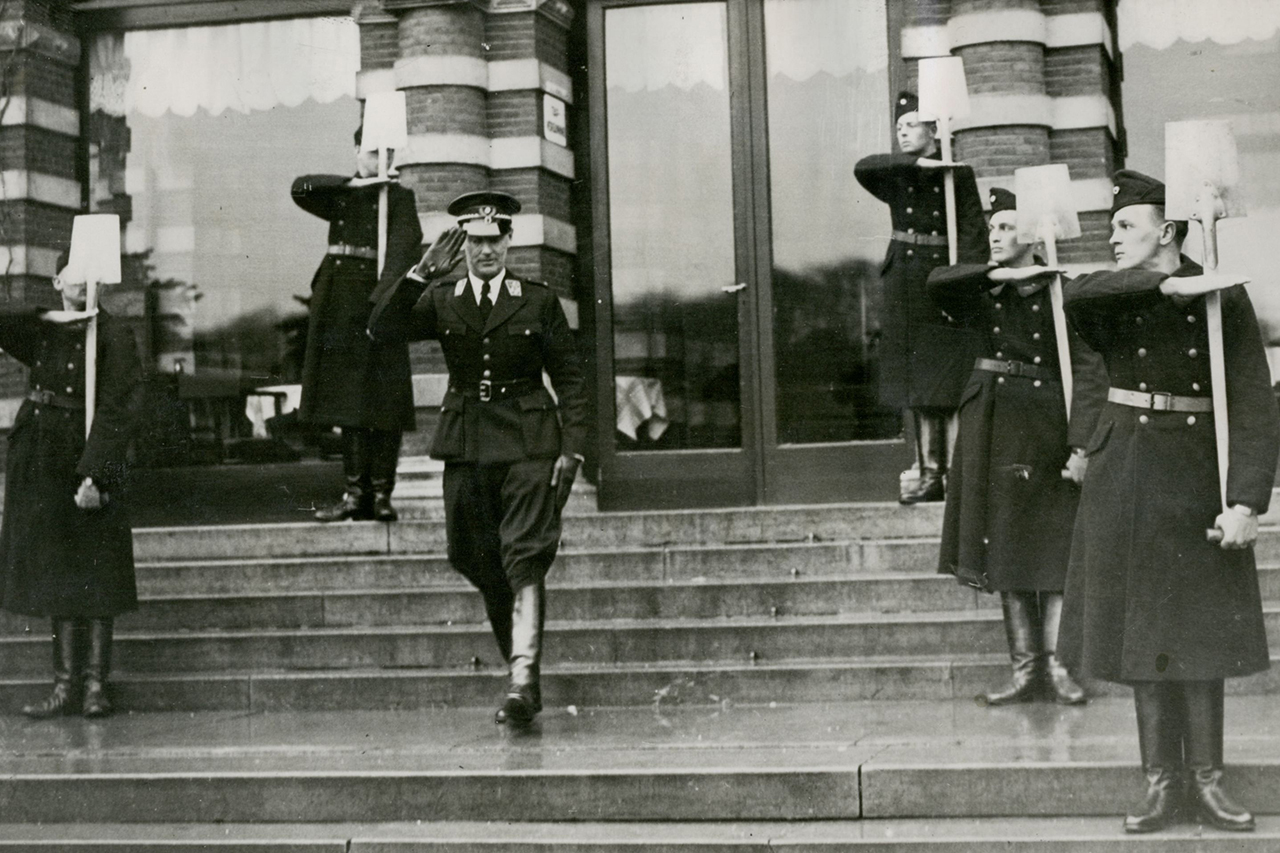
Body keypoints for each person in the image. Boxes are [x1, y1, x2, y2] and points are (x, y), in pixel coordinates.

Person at [1059, 169, 1279, 833]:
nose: (1114, 237)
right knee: (1143, 631)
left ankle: (1207, 780)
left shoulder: (1222, 299)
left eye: (1128, 225)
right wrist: (1167, 281)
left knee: (1197, 628)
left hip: (1195, 474)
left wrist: (1246, 500)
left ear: (1170, 228)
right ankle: (1161, 782)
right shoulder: (1115, 292)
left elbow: (1253, 402)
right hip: (1125, 471)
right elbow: (1076, 292)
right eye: (1113, 226)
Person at [368, 191, 588, 726]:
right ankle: (521, 673)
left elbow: (572, 379)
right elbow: (381, 328)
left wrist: (573, 448)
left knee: (524, 554)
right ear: (463, 244)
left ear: (509, 241)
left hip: (530, 440)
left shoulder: (537, 300)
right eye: (476, 241)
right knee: (475, 556)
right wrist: (419, 274)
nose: (486, 250)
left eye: (495, 240)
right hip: (467, 443)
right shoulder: (442, 296)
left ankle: (521, 680)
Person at [928, 187, 1106, 706]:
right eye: (993, 227)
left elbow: (1091, 374)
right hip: (992, 425)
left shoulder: (1062, 295)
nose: (996, 235)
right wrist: (995, 273)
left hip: (1048, 426)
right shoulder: (985, 291)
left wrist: (1082, 447)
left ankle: (1058, 668)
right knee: (1001, 545)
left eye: (1007, 227)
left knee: (1053, 552)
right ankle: (1025, 671)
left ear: (1035, 234)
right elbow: (936, 284)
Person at [0, 251, 144, 718]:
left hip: (92, 456)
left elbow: (119, 408)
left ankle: (95, 686)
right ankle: (64, 686)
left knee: (97, 569)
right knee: (59, 570)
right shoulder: (45, 327)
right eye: (71, 275)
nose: (79, 284)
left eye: (89, 276)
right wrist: (50, 312)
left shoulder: (115, 333)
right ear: (57, 278)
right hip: (43, 459)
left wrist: (96, 475)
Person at [855, 91, 988, 503]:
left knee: (943, 378)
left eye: (910, 125)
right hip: (903, 284)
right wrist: (920, 163)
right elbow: (864, 168)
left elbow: (973, 233)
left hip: (938, 279)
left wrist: (961, 282)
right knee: (914, 382)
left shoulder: (957, 175)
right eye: (898, 127)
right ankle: (930, 473)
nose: (902, 133)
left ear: (933, 128)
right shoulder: (898, 172)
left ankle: (956, 473)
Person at [292, 126, 423, 522]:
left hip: (375, 306)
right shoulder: (344, 194)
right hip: (337, 305)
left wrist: (380, 306)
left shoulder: (399, 199)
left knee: (382, 402)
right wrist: (357, 183)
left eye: (385, 153)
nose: (378, 160)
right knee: (347, 404)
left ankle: (381, 493)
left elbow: (403, 252)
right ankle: (354, 494)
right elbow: (302, 188)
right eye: (370, 152)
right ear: (355, 152)